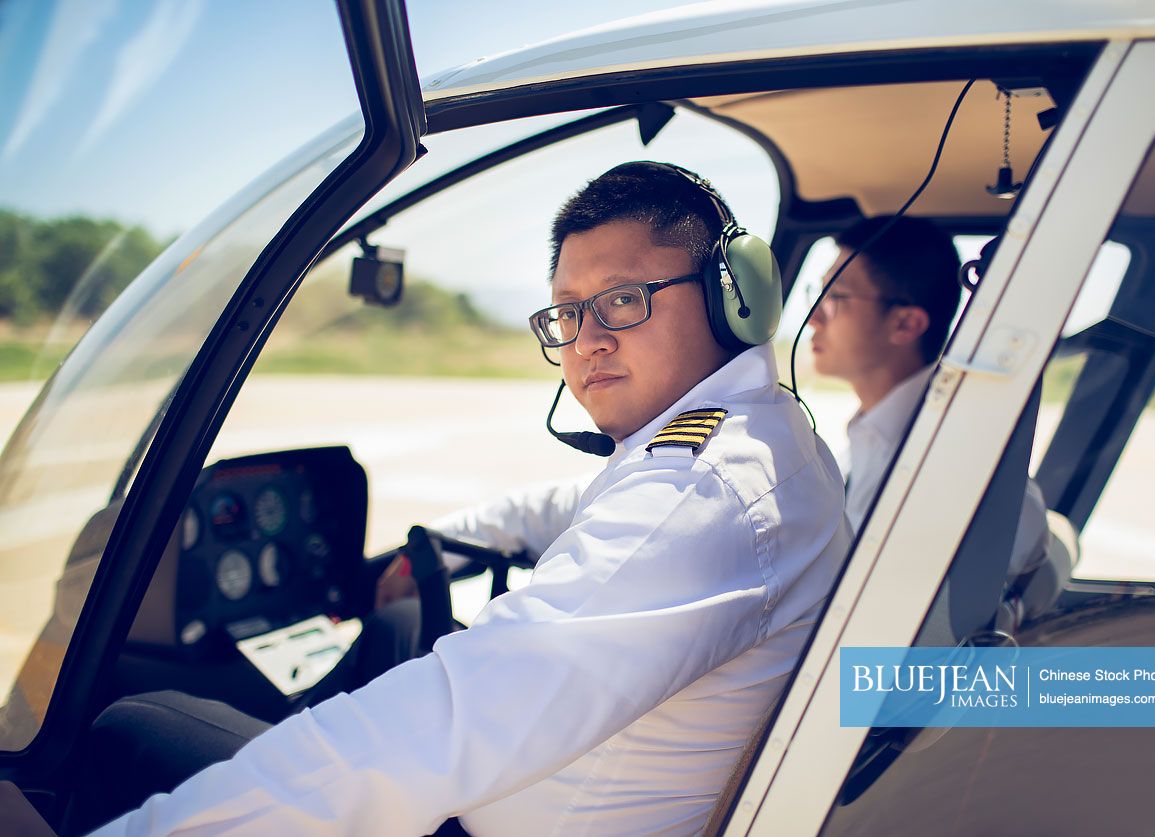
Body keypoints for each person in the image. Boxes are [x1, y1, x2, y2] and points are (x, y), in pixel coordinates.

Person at [83, 162, 852, 836]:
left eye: (622, 301)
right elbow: (561, 503)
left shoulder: (702, 492)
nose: (585, 341)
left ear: (733, 298)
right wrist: (443, 543)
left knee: (131, 729)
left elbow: (439, 724)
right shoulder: (749, 440)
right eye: (566, 311)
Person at [807, 215, 1046, 575]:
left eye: (835, 298)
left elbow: (1022, 536)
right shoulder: (866, 442)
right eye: (820, 295)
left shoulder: (952, 451)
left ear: (905, 324)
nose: (813, 319)